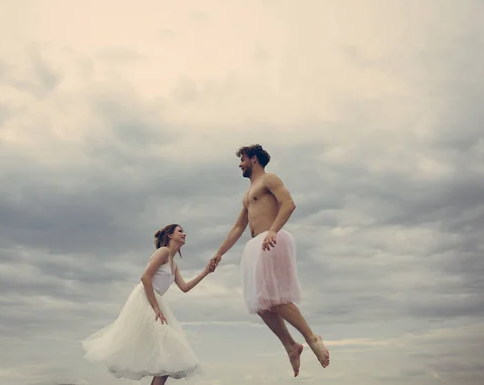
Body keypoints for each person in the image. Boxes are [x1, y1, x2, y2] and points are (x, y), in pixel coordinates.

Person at [208, 144, 329, 377]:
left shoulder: (269, 179)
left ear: (254, 159)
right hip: (256, 244)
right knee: (262, 304)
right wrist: (219, 252)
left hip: (271, 239)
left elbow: (289, 204)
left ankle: (312, 338)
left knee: (276, 297)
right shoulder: (248, 194)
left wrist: (273, 230)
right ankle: (291, 346)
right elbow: (238, 226)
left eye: (242, 159)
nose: (240, 164)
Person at [82, 224, 211, 385]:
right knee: (168, 355)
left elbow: (184, 288)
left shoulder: (173, 263)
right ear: (170, 235)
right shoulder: (163, 252)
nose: (184, 234)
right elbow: (145, 277)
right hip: (146, 300)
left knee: (168, 359)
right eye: (180, 231)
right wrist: (155, 307)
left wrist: (206, 272)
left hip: (156, 301)